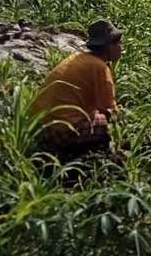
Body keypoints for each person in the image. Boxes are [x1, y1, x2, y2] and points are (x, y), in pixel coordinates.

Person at [30, 19, 123, 157]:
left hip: (39, 128)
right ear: (108, 46)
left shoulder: (80, 58)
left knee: (98, 117)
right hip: (60, 130)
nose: (120, 47)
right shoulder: (99, 67)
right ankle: (85, 156)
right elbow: (110, 111)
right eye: (117, 42)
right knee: (115, 123)